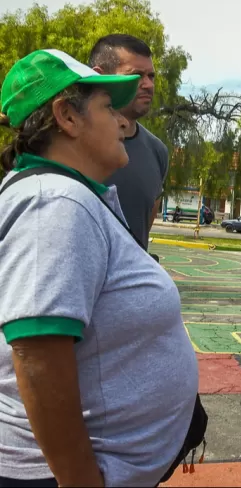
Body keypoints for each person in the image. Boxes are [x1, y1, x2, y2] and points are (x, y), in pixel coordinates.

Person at [0, 49, 199, 486]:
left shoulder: (68, 195)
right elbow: (38, 353)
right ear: (67, 117)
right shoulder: (52, 203)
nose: (122, 122)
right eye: (109, 108)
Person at [89, 34, 169, 248]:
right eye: (136, 75)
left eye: (151, 76)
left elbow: (142, 231)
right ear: (100, 76)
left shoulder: (157, 151)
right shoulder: (71, 144)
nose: (148, 85)